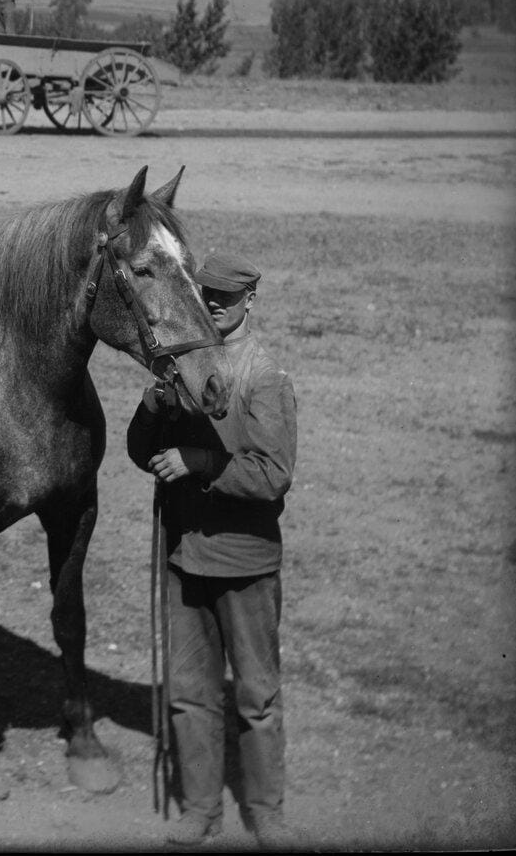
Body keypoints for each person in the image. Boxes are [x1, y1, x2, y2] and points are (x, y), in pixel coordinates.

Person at [128, 250, 296, 847]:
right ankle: (201, 810)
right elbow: (139, 451)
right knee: (191, 693)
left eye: (226, 297)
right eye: (207, 295)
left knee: (256, 695)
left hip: (246, 562)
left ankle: (266, 812)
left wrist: (199, 461)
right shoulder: (183, 365)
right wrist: (152, 409)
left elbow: (272, 474)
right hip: (184, 560)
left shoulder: (265, 374)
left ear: (250, 300)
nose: (215, 305)